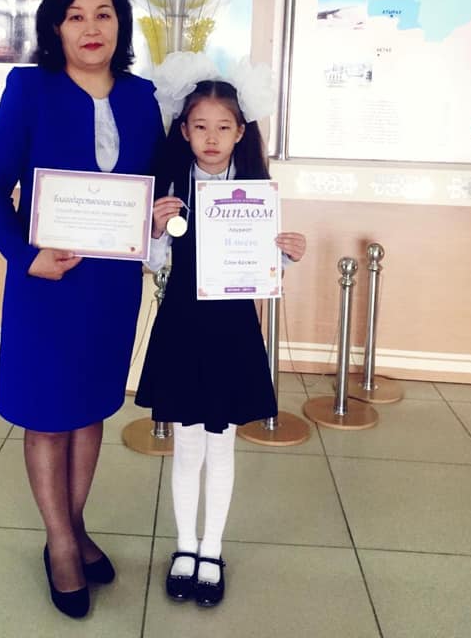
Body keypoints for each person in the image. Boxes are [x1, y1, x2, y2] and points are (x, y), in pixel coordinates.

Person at [0, 0, 164, 619]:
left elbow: (152, 185)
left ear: (121, 25)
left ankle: (76, 527)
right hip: (47, 284)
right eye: (75, 14)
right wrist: (26, 256)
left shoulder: (141, 97)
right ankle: (60, 544)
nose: (91, 27)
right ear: (55, 26)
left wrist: (162, 215)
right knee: (46, 414)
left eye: (104, 13)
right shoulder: (30, 89)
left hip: (111, 287)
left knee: (89, 411)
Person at [135, 53, 306, 609]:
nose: (212, 138)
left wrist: (286, 254)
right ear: (184, 130)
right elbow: (152, 263)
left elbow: (263, 270)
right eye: (200, 126)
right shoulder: (171, 185)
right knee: (186, 444)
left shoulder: (256, 189)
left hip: (233, 330)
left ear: (240, 132)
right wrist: (154, 229)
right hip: (182, 324)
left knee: (222, 443)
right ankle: (185, 547)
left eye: (223, 127)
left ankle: (212, 550)